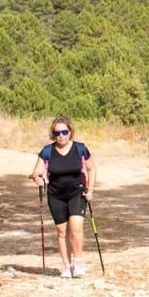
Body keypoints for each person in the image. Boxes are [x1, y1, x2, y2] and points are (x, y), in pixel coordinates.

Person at [29, 116, 97, 278]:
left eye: (64, 132)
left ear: (70, 132)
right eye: (57, 132)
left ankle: (78, 262)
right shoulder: (47, 151)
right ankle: (66, 267)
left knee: (76, 227)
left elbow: (91, 169)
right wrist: (37, 178)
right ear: (53, 134)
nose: (60, 135)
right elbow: (35, 173)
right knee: (61, 231)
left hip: (77, 193)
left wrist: (90, 190)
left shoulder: (80, 148)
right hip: (56, 195)